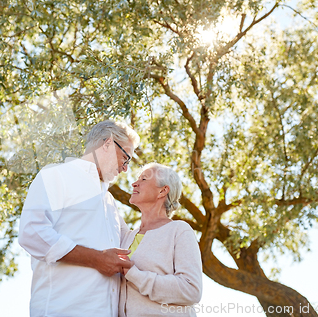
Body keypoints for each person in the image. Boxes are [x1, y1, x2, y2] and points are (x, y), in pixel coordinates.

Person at [18, 120, 140, 317]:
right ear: (108, 144)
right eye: (125, 157)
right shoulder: (56, 175)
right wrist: (97, 259)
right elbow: (32, 234)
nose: (125, 168)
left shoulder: (110, 202)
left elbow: (133, 243)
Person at [119, 163, 203, 317]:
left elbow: (192, 290)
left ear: (163, 190)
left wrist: (134, 274)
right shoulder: (127, 236)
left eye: (144, 179)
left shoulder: (179, 230)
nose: (134, 183)